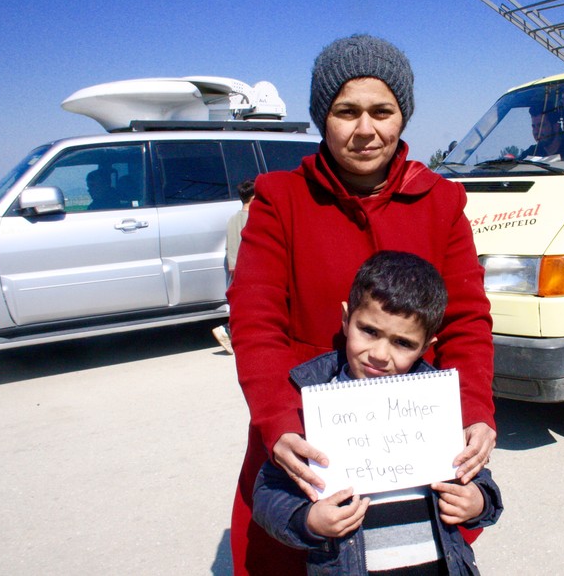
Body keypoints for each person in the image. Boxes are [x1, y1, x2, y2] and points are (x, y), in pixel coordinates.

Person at [226, 34, 496, 575]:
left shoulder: (441, 201)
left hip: (414, 435)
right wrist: (278, 421)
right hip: (309, 434)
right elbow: (256, 321)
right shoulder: (282, 200)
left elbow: (467, 319)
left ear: (403, 116)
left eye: (382, 111)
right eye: (346, 112)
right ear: (322, 119)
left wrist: (476, 413)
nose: (366, 130)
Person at [251, 251, 502, 574]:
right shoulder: (311, 406)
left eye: (403, 343)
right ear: (346, 319)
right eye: (369, 331)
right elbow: (269, 493)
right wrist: (308, 520)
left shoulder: (436, 403)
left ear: (427, 345)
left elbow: (477, 477)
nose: (380, 354)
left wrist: (477, 500)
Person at [212, 180, 255, 354]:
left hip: (236, 269)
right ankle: (226, 330)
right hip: (249, 270)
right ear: (254, 198)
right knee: (250, 308)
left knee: (244, 307)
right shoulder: (253, 219)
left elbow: (230, 245)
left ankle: (232, 335)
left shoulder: (232, 219)